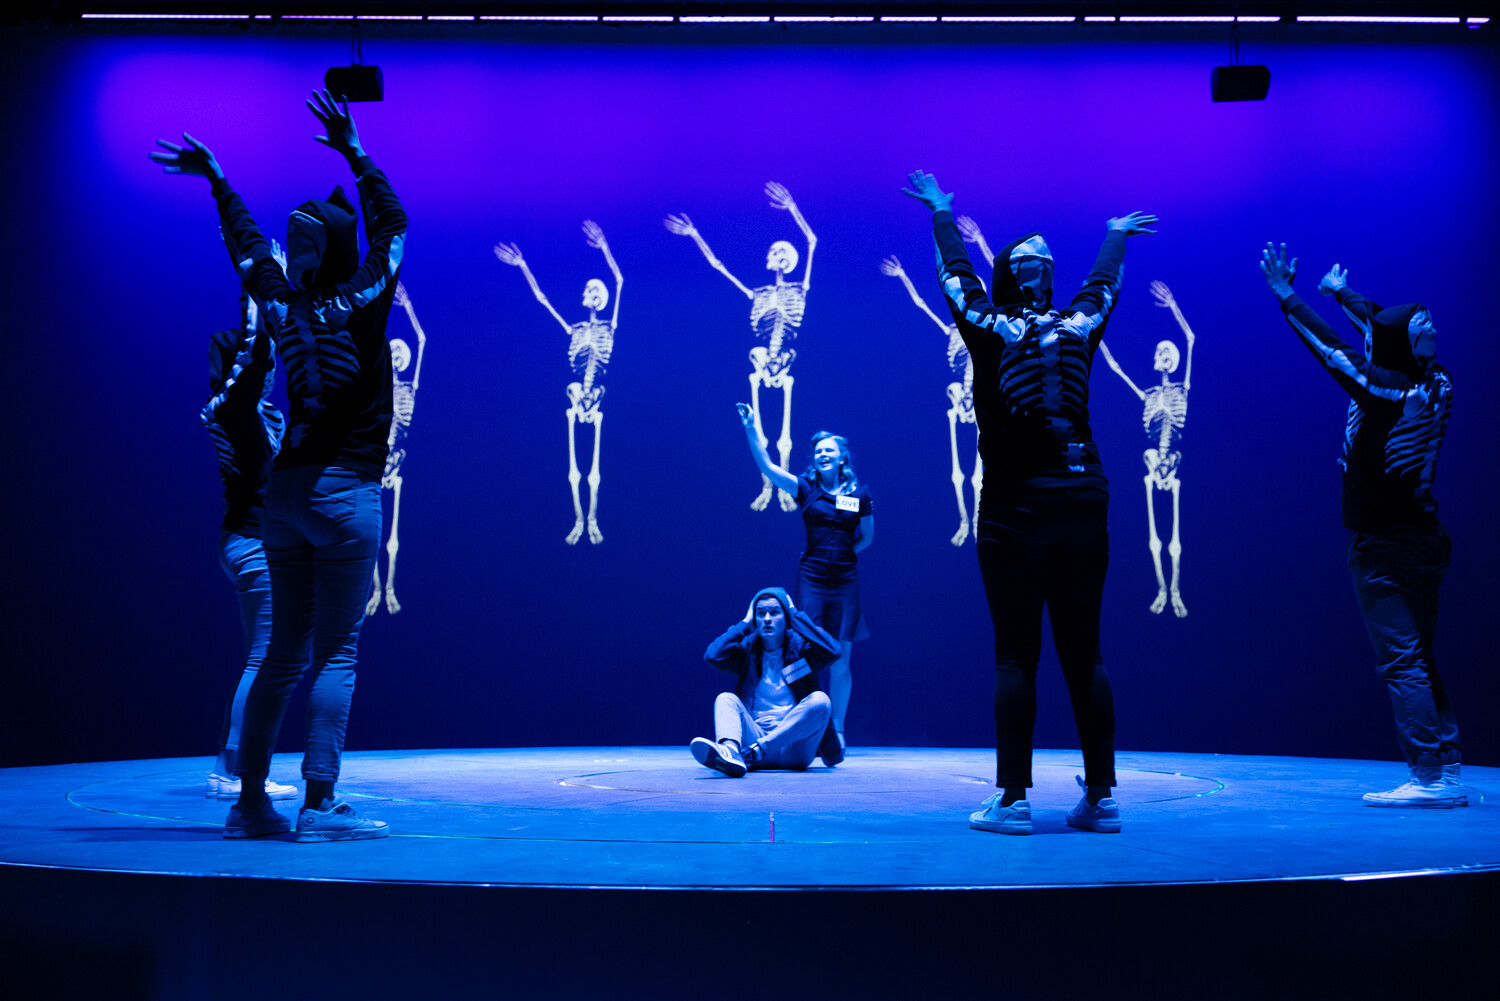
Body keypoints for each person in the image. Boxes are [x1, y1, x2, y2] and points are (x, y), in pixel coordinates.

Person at [153, 89, 408, 841]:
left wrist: (220, 181)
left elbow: (247, 250)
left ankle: (250, 802)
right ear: (337, 246)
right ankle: (321, 805)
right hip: (343, 489)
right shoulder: (360, 296)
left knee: (282, 655)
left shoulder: (277, 302)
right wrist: (356, 153)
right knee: (335, 650)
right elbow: (392, 227)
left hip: (284, 494)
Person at [903, 169, 1157, 835]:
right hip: (1085, 499)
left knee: (1016, 654)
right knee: (1087, 653)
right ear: (1044, 274)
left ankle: (1013, 799)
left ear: (1008, 276)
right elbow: (1104, 288)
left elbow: (955, 279)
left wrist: (941, 214)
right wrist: (1113, 237)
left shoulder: (990, 324)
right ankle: (1100, 797)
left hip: (1017, 506)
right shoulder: (1076, 323)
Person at [1259, 243, 1463, 808]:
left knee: (1402, 661)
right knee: (1418, 655)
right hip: (1424, 539)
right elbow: (1379, 325)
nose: (1433, 329)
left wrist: (1287, 297)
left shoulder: (1387, 392)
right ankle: (1446, 767)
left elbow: (1334, 352)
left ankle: (1427, 778)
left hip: (1387, 547)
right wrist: (1340, 292)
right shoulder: (1436, 382)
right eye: (1426, 325)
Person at [200, 293, 297, 803]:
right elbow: (256, 351)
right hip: (250, 542)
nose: (269, 371)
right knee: (263, 658)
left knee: (260, 657)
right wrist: (255, 288)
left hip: (245, 538)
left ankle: (229, 765)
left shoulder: (250, 413)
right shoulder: (239, 410)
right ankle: (236, 770)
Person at [736, 406, 873, 762]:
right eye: (817, 451)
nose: (822, 454)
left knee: (841, 658)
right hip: (811, 578)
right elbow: (767, 468)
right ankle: (803, 726)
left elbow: (867, 538)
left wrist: (842, 557)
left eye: (829, 450)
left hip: (845, 581)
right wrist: (752, 430)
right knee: (802, 653)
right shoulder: (805, 487)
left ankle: (837, 729)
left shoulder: (859, 494)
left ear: (842, 456)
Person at [692, 587, 838, 777]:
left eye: (775, 612)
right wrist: (745, 623)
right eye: (761, 613)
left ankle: (755, 752)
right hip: (753, 741)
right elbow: (713, 656)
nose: (767, 618)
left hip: (793, 747)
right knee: (725, 699)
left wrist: (795, 616)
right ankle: (730, 752)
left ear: (786, 618)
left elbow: (833, 651)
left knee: (821, 701)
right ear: (755, 619)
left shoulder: (801, 651)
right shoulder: (748, 652)